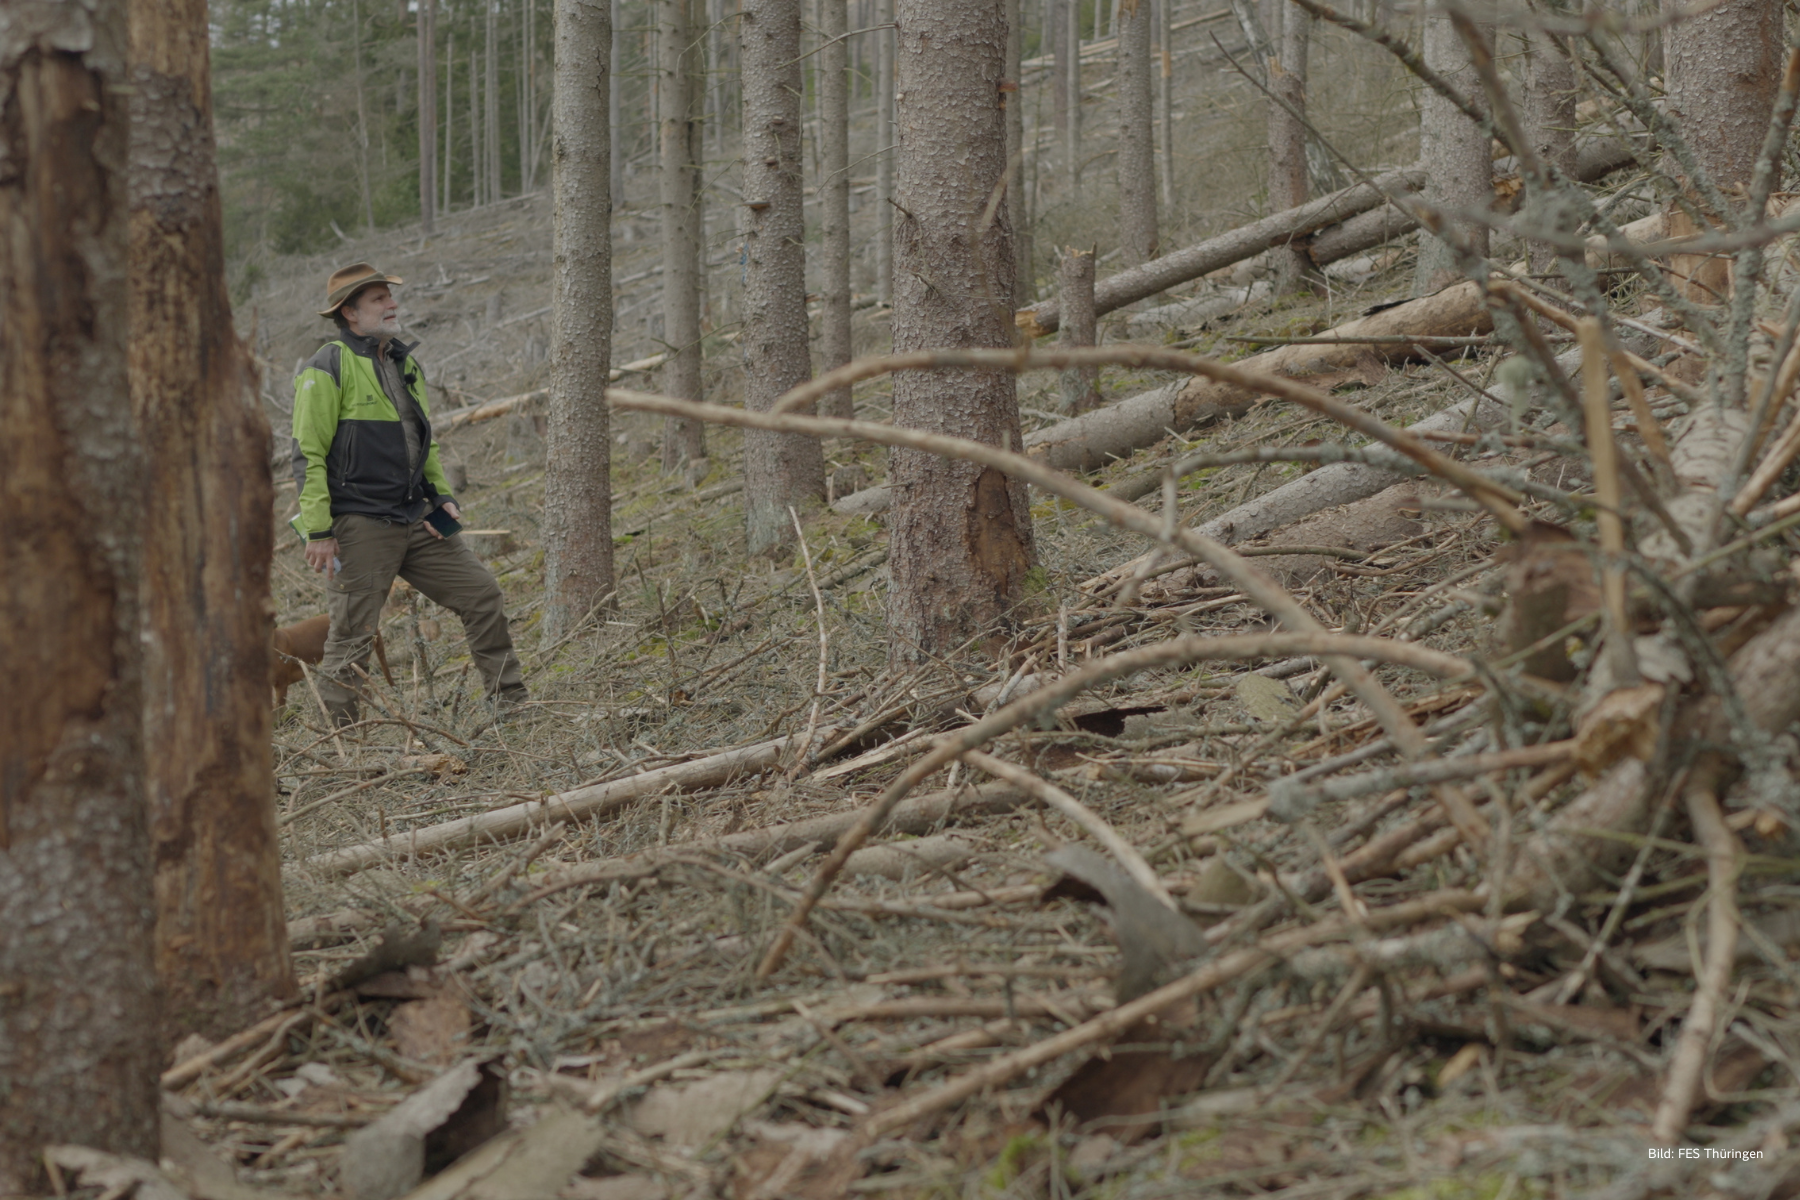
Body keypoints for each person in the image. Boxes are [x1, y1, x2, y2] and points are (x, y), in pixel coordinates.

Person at [292, 262, 526, 726]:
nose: (391, 303)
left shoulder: (403, 361)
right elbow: (307, 454)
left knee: (482, 595)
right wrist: (318, 530)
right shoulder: (327, 367)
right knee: (353, 636)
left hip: (415, 518)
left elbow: (422, 440)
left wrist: (440, 495)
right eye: (378, 299)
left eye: (388, 295)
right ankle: (336, 743)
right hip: (358, 524)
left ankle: (511, 704)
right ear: (350, 313)